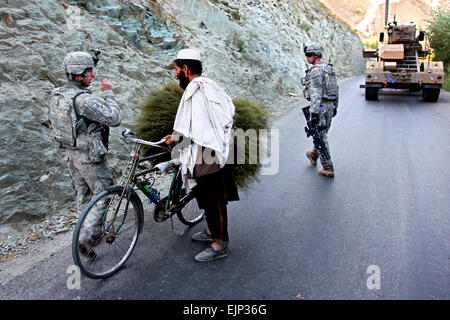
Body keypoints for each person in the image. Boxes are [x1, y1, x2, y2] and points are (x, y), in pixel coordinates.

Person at [163, 48, 239, 262]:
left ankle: (220, 244)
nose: (175, 73)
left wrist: (175, 138)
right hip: (212, 148)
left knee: (214, 200)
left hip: (207, 153)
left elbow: (195, 128)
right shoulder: (209, 85)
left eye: (177, 69)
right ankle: (210, 232)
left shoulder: (195, 91)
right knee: (205, 196)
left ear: (186, 69)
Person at [48, 51, 121, 256]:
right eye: (89, 72)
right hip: (89, 158)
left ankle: (87, 231)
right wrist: (108, 93)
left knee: (85, 195)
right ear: (79, 74)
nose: (93, 76)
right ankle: (85, 237)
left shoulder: (58, 95)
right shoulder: (83, 100)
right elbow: (114, 119)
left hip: (71, 155)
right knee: (104, 193)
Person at [302, 43, 338, 178]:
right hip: (329, 106)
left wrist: (315, 112)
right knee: (321, 133)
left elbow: (316, 92)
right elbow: (336, 89)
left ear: (316, 55)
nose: (307, 57)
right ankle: (313, 155)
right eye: (307, 55)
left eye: (309, 55)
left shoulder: (316, 71)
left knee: (320, 136)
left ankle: (328, 167)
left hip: (320, 106)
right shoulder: (329, 69)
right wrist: (335, 106)